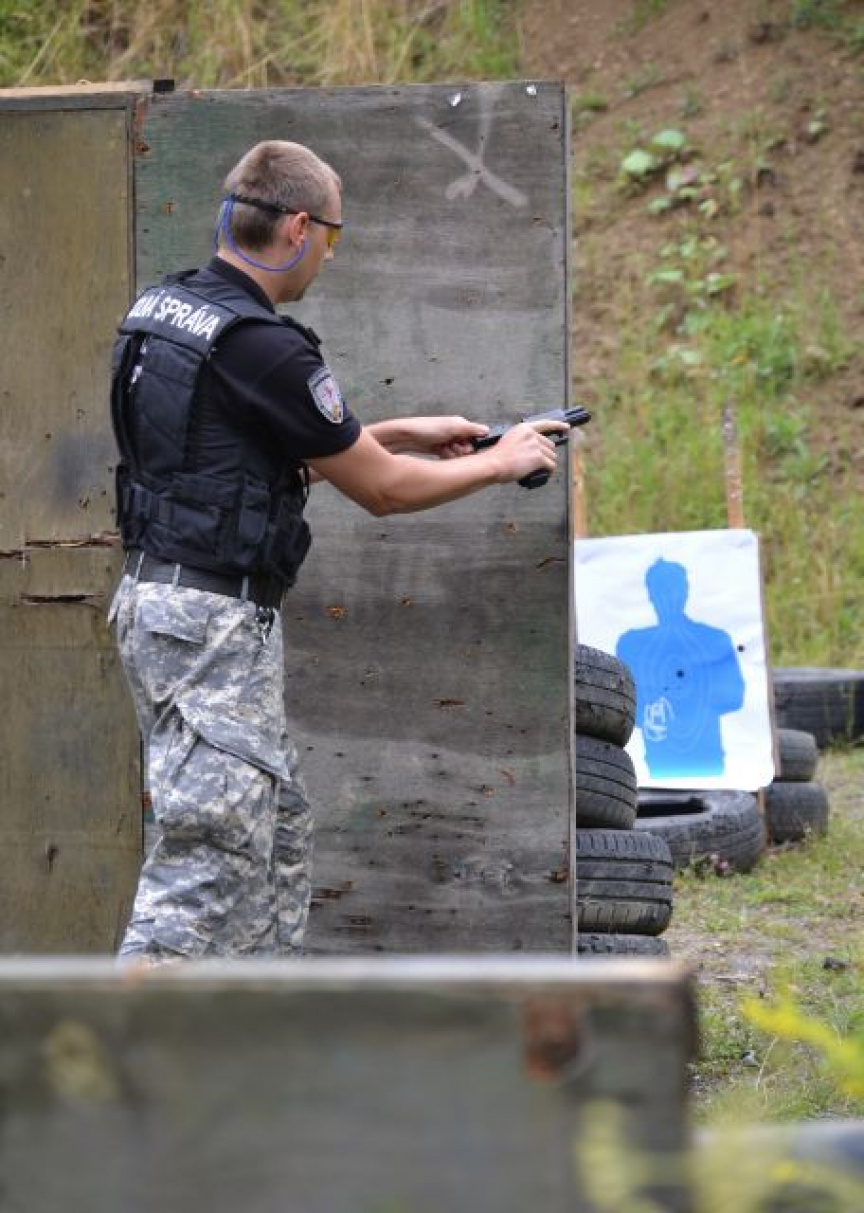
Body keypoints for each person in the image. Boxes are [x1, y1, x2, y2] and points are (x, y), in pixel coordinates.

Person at [109, 139, 565, 963]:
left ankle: (260, 1030)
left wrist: (401, 432)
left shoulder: (167, 312)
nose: (329, 253)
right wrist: (503, 461)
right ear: (296, 228)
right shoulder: (265, 346)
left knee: (273, 836)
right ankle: (103, 1047)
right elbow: (382, 491)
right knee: (203, 868)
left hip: (172, 608)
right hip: (209, 627)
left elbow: (241, 472)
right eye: (332, 235)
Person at [616, 558, 745, 778]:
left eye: (673, 589)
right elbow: (622, 705)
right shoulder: (632, 645)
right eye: (662, 590)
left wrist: (692, 697)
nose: (668, 598)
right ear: (651, 595)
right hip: (657, 766)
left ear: (686, 592)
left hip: (708, 762)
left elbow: (734, 696)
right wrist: (647, 717)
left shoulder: (714, 639)